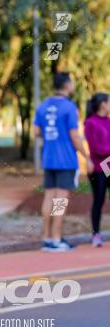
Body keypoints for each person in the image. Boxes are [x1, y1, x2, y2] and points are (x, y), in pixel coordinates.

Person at [33, 72, 92, 252]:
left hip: (49, 158)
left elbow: (36, 132)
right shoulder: (69, 107)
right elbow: (74, 136)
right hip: (65, 160)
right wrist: (86, 156)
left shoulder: (42, 106)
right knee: (61, 200)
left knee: (49, 196)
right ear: (67, 85)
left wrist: (52, 138)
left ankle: (46, 237)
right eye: (72, 82)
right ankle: (57, 239)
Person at [84, 92, 110, 247]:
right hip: (98, 167)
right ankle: (96, 235)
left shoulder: (109, 121)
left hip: (108, 166)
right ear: (102, 104)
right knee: (99, 200)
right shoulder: (90, 123)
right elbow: (95, 148)